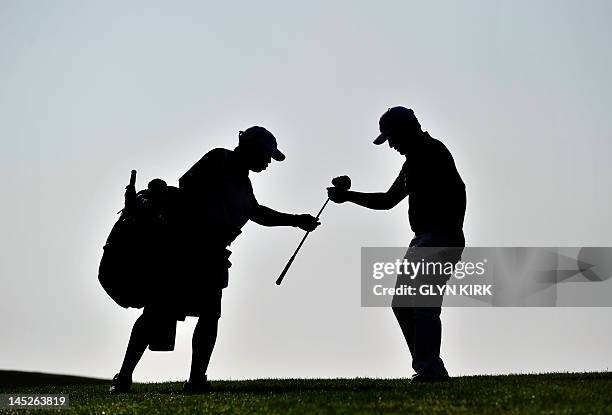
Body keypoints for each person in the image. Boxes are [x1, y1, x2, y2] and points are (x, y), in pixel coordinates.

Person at [110, 126, 320, 393]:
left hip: (211, 254)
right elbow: (187, 186)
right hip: (182, 249)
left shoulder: (244, 183)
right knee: (156, 312)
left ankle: (196, 379)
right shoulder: (218, 158)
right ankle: (125, 376)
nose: (268, 162)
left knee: (209, 315)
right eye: (266, 156)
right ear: (251, 148)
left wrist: (294, 221)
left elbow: (256, 213)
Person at [327, 107, 466, 383]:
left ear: (407, 129)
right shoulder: (414, 159)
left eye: (391, 137)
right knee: (402, 303)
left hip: (439, 237)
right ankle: (428, 367)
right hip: (424, 239)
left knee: (423, 305)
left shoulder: (432, 152)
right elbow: (388, 201)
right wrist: (348, 196)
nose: (390, 145)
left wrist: (447, 233)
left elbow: (459, 192)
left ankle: (430, 370)